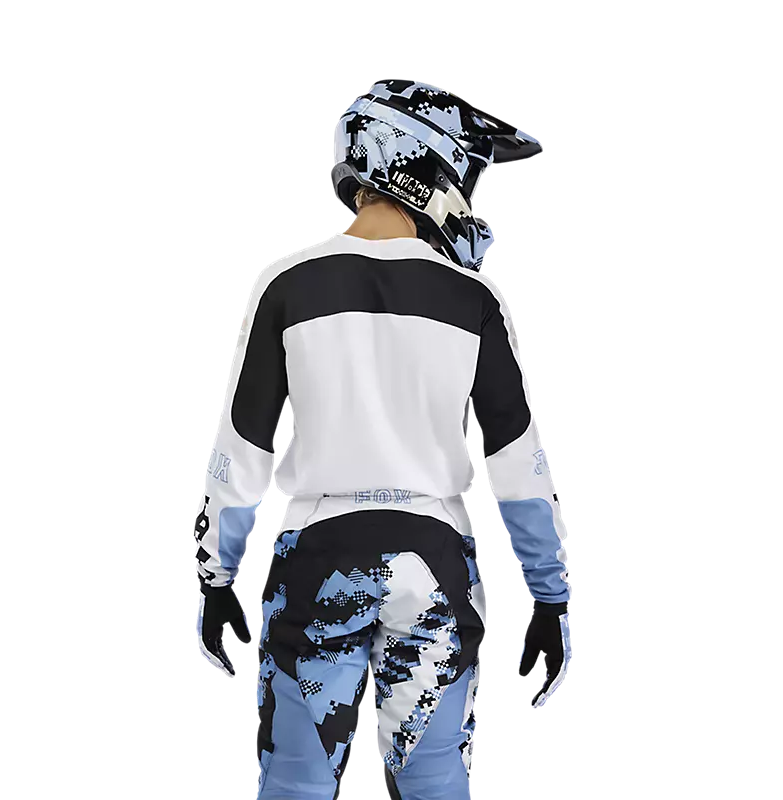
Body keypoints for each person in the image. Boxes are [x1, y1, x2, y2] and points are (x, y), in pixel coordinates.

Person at [192, 78, 571, 800]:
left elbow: (242, 448)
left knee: (295, 783)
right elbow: (518, 462)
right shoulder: (475, 297)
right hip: (436, 561)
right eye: (466, 173)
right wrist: (550, 596)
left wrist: (216, 576)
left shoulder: (285, 283)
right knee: (433, 780)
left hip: (317, 555)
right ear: (426, 162)